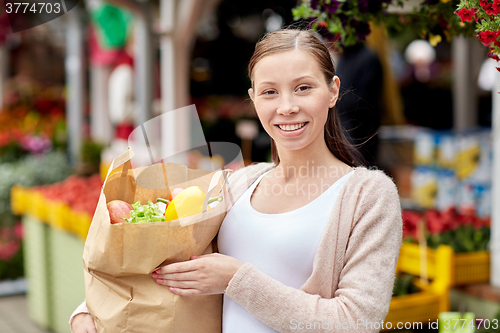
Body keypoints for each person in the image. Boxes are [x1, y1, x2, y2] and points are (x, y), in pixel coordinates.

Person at [70, 29, 402, 333]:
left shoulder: (369, 196)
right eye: (270, 92)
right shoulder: (239, 183)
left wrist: (235, 279)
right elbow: (162, 255)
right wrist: (89, 310)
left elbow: (357, 322)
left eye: (303, 88)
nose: (286, 107)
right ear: (253, 98)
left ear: (332, 91)